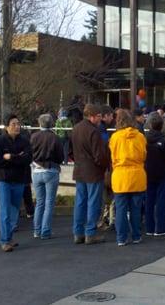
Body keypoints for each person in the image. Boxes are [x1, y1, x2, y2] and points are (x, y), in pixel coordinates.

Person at [71, 104, 110, 245]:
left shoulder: (76, 128)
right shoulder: (94, 131)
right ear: (92, 116)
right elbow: (99, 155)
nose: (100, 118)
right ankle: (90, 233)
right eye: (99, 116)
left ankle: (78, 233)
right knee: (93, 202)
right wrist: (106, 165)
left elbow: (70, 150)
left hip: (80, 170)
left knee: (80, 202)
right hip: (93, 171)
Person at [0, 115, 32, 252]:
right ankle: (4, 240)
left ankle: (9, 237)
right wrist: (17, 158)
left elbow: (27, 159)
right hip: (3, 180)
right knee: (5, 210)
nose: (17, 126)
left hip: (19, 179)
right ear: (7, 127)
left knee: (15, 210)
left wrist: (11, 157)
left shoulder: (25, 141)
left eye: (18, 123)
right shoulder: (0, 141)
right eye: (13, 124)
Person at [109, 109, 147, 246]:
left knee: (121, 209)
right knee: (136, 209)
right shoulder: (140, 136)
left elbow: (113, 157)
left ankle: (121, 238)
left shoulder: (115, 137)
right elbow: (143, 155)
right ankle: (136, 235)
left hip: (120, 176)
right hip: (137, 175)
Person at [30, 114, 64, 240]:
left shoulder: (33, 137)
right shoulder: (55, 137)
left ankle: (36, 230)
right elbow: (60, 157)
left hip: (36, 171)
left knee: (39, 202)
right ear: (52, 124)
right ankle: (45, 231)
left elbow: (29, 153)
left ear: (39, 123)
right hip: (51, 170)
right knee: (49, 203)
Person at [144, 112, 165, 236]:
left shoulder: (145, 139)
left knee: (149, 200)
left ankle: (149, 227)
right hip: (161, 173)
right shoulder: (163, 141)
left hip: (148, 172)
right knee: (161, 200)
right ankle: (160, 227)